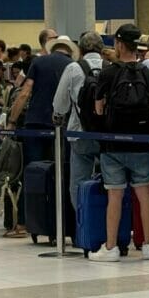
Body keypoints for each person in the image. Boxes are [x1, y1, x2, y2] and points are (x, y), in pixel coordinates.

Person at [89, 25, 149, 262]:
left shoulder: (108, 73)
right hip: (141, 142)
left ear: (119, 44)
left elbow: (98, 109)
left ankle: (111, 247)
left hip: (113, 143)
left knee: (115, 196)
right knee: (144, 194)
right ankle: (148, 245)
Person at [6, 30, 72, 238]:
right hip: (61, 126)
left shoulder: (39, 63)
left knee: (31, 172)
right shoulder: (73, 67)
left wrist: (12, 120)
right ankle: (59, 220)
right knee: (60, 173)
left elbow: (25, 92)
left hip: (35, 124)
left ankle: (25, 222)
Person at [53, 32, 107, 210]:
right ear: (102, 49)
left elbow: (60, 103)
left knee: (78, 183)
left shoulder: (73, 68)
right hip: (107, 134)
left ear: (81, 50)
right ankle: (108, 226)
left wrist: (59, 115)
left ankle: (83, 225)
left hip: (79, 132)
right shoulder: (111, 67)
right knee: (111, 183)